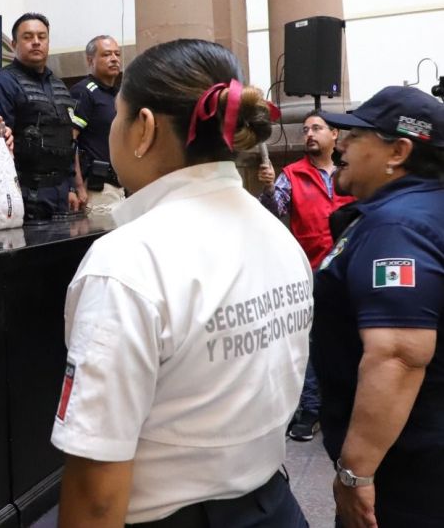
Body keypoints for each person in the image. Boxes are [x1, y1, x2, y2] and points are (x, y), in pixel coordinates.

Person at [51, 39, 311, 527]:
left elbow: (97, 496)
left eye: (118, 116)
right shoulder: (278, 234)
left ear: (144, 128)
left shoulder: (128, 261)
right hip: (274, 507)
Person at [312, 86, 444, 528]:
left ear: (398, 152)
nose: (341, 145)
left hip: (409, 472)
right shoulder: (421, 210)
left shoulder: (397, 228)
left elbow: (398, 355)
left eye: (356, 136)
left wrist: (356, 472)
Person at [258, 112, 355, 441]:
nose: (309, 134)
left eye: (316, 128)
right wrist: (268, 188)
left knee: (350, 337)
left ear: (335, 134)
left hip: (349, 267)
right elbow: (273, 212)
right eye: (305, 130)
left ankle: (349, 407)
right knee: (310, 341)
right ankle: (311, 410)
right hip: (311, 269)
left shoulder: (349, 171)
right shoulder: (292, 174)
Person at [0, 13, 80, 221]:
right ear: (14, 44)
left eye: (42, 37)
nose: (36, 42)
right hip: (23, 193)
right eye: (28, 37)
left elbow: (67, 140)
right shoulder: (1, 84)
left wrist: (71, 187)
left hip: (60, 194)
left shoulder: (59, 85)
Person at [71, 35, 124, 214]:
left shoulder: (117, 94)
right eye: (107, 54)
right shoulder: (84, 91)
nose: (114, 59)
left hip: (119, 185)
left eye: (117, 54)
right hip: (96, 188)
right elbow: (70, 141)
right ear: (90, 60)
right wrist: (77, 186)